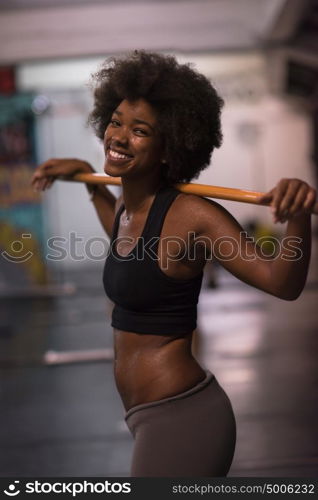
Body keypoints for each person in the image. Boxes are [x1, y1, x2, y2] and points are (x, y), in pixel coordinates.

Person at [31, 51, 316, 477]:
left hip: (183, 416)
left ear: (170, 147)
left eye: (140, 130)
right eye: (116, 122)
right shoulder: (128, 211)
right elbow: (121, 236)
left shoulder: (193, 215)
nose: (120, 136)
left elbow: (282, 281)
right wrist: (91, 180)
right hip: (144, 415)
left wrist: (297, 213)